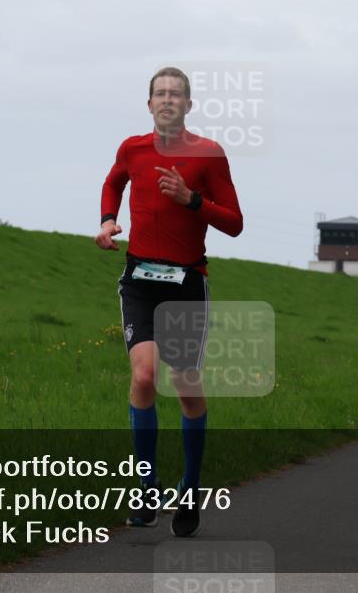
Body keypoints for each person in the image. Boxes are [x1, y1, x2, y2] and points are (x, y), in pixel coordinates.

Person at [96, 67, 243, 538]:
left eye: (175, 94)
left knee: (183, 383)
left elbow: (235, 222)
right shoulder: (132, 148)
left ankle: (191, 483)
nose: (167, 100)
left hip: (185, 283)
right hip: (140, 278)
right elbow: (113, 182)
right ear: (149, 103)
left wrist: (190, 199)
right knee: (143, 375)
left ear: (188, 104)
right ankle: (145, 489)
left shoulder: (208, 154)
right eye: (159, 93)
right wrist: (106, 221)